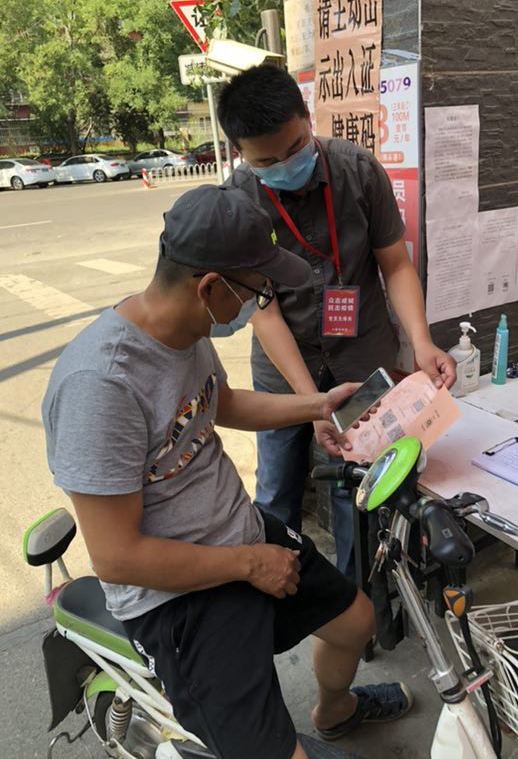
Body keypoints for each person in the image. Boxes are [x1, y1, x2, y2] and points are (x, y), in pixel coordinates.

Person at [41, 185, 414, 759]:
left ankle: (334, 711)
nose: (258, 303)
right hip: (176, 597)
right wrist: (249, 564)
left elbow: (222, 402)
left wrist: (316, 407)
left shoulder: (182, 331)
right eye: (256, 290)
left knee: (355, 620)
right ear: (210, 287)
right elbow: (118, 557)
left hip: (241, 533)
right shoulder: (101, 387)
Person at [218, 65, 456, 577]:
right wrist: (312, 404)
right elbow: (263, 310)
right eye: (266, 161)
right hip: (285, 365)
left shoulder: (358, 170)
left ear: (307, 117)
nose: (285, 165)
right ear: (240, 152)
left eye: (294, 147)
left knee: (362, 484)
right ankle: (280, 589)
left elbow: (395, 265)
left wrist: (421, 341)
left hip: (361, 353)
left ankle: (357, 596)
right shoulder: (238, 199)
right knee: (277, 487)